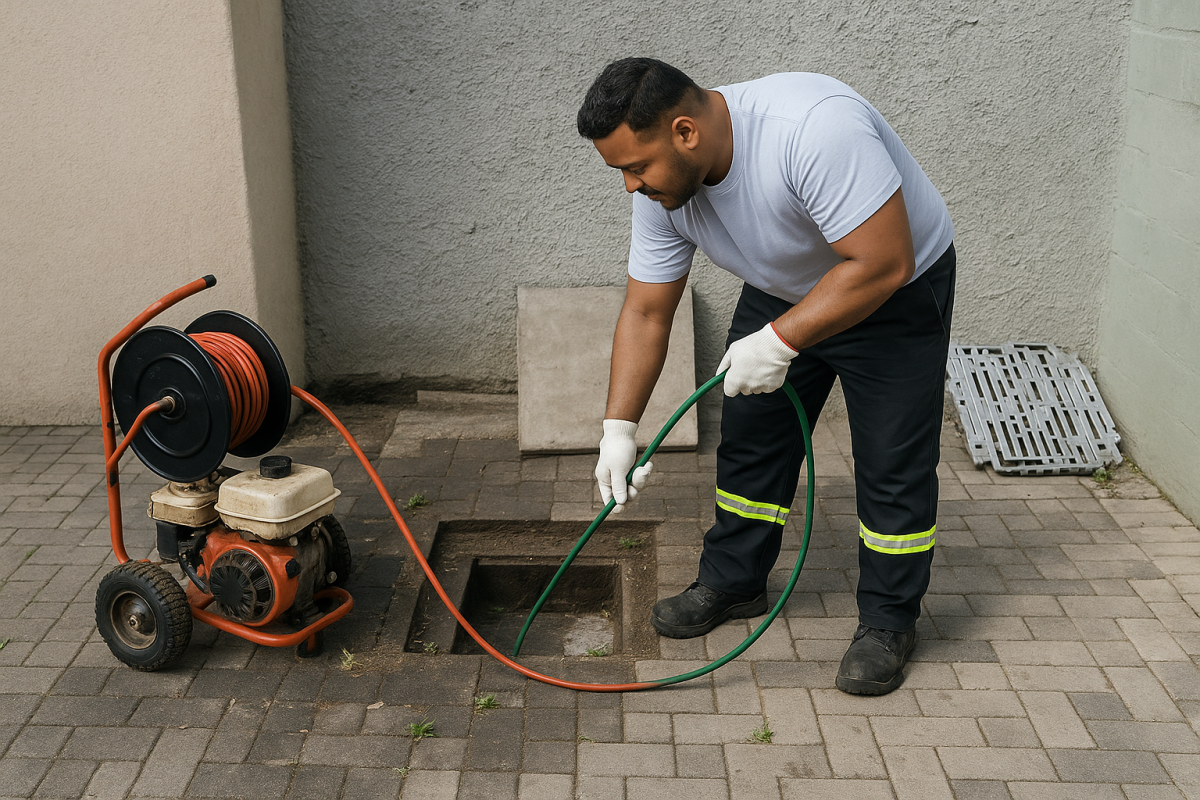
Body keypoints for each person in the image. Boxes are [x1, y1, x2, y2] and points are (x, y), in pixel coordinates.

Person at [578, 58, 956, 695]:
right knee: (753, 435)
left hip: (894, 288)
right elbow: (647, 310)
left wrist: (778, 341)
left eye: (635, 167)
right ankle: (733, 581)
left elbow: (883, 261)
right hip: (787, 287)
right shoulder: (666, 193)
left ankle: (889, 622)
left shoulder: (810, 130)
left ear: (685, 133)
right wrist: (619, 427)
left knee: (892, 462)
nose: (629, 186)